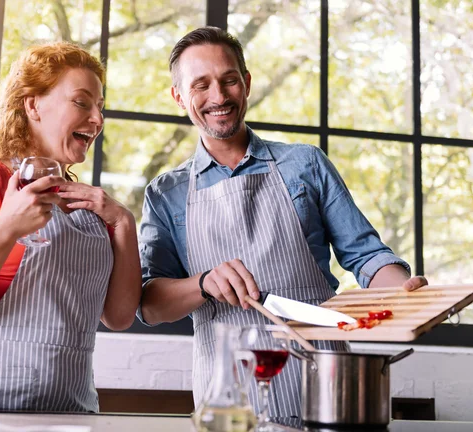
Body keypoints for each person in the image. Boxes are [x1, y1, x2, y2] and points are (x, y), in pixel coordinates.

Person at [137, 26, 427, 427]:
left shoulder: (305, 164)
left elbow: (368, 257)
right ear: (179, 96)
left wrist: (402, 293)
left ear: (247, 83)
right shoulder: (165, 193)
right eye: (201, 85)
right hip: (229, 405)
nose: (218, 97)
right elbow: (150, 304)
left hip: (323, 388)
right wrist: (202, 283)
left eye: (229, 80)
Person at [0, 42, 142, 412]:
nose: (97, 119)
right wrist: (6, 226)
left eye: (100, 108)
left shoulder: (90, 207)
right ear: (33, 104)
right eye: (82, 102)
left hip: (72, 407)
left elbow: (118, 317)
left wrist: (124, 222)